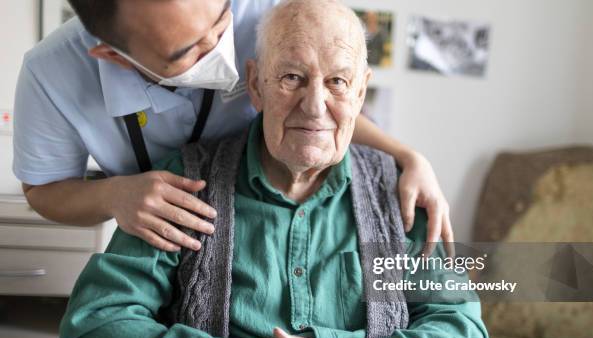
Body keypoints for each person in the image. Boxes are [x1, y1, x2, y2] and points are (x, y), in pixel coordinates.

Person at [57, 1, 488, 338]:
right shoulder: (186, 183)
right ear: (256, 85)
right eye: (292, 78)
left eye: (338, 81)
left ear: (360, 92)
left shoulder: (399, 195)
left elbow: (460, 328)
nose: (315, 106)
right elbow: (97, 324)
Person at [13, 0, 453, 255]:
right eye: (190, 50)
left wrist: (406, 156)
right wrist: (112, 195)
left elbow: (322, 108)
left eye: (221, 21)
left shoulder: (264, 12)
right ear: (114, 57)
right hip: (174, 242)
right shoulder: (51, 74)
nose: (221, 48)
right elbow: (43, 190)